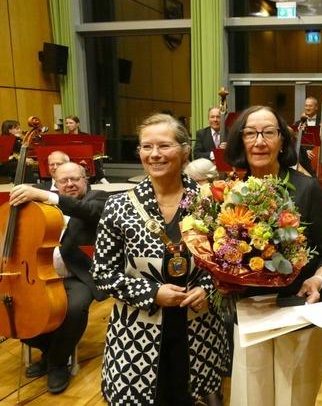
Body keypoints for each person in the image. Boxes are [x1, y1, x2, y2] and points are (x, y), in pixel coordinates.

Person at [92, 113, 228, 405]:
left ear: (184, 150)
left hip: (199, 329)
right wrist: (153, 293)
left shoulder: (210, 202)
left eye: (164, 146)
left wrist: (208, 288)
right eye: (146, 147)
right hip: (137, 332)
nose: (154, 154)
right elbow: (103, 273)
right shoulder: (119, 206)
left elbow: (226, 262)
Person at [223, 105, 322, 406]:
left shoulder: (307, 188)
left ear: (283, 141)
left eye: (268, 132)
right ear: (241, 141)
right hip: (249, 314)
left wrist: (316, 280)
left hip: (298, 314)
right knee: (252, 399)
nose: (259, 141)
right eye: (250, 133)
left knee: (293, 400)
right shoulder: (228, 191)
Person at [9, 162, 108, 393]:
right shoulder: (37, 205)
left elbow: (89, 212)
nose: (70, 184)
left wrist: (48, 196)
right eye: (64, 181)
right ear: (56, 182)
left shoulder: (100, 198)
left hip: (77, 276)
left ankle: (56, 364)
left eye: (75, 179)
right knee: (15, 306)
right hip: (37, 275)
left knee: (73, 309)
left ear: (86, 179)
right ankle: (50, 351)